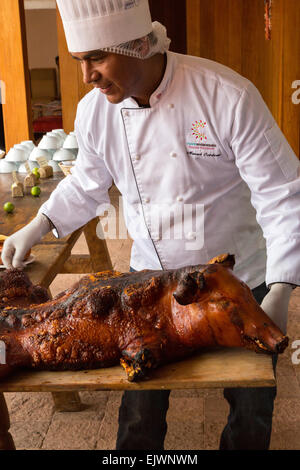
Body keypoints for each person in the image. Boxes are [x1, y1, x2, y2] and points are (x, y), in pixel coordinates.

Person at [2, 0, 299, 450]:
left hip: (236, 282)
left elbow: (283, 194)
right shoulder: (94, 112)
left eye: (97, 58)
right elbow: (87, 181)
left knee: (251, 403)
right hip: (149, 284)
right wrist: (40, 224)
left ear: (140, 44)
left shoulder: (225, 96)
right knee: (139, 409)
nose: (87, 76)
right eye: (80, 60)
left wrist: (280, 287)